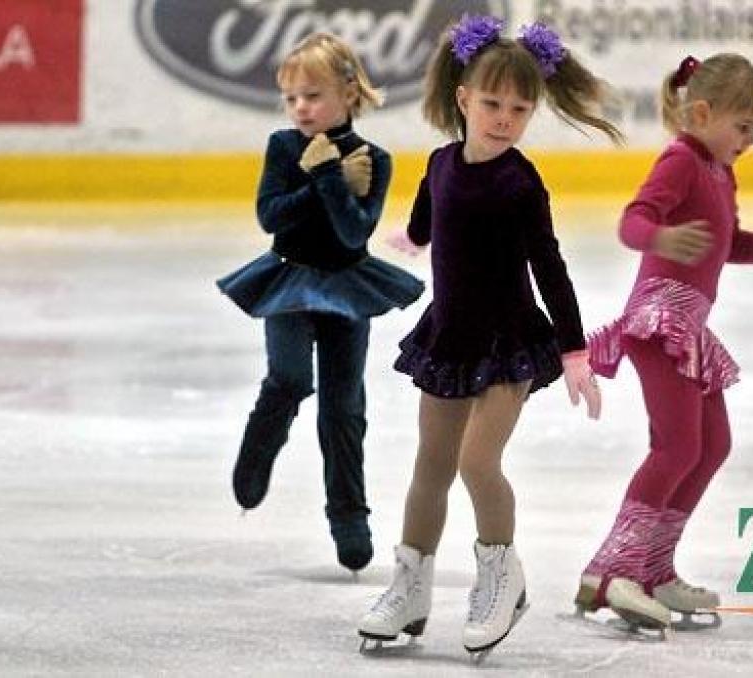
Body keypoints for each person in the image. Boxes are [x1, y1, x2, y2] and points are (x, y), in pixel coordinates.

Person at [357, 16, 621, 658]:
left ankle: (503, 575)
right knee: (431, 466)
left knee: (478, 460)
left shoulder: (520, 183)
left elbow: (550, 265)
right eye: (493, 103)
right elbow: (428, 213)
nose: (504, 118)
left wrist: (574, 350)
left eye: (520, 109)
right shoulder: (443, 162)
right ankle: (411, 583)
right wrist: (413, 238)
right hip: (449, 335)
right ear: (464, 98)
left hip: (508, 342)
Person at [574, 53, 753, 630]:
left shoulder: (720, 171)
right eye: (744, 126)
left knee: (713, 445)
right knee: (678, 446)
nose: (751, 140)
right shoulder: (681, 160)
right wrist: (661, 234)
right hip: (658, 322)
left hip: (688, 326)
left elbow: (728, 244)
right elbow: (632, 221)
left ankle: (649, 568)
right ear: (703, 113)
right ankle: (619, 573)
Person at [216, 33, 424, 572]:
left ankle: (348, 514)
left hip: (348, 285)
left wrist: (331, 175)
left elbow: (355, 234)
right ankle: (260, 446)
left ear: (349, 94)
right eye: (291, 98)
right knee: (289, 379)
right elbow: (271, 217)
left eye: (312, 95)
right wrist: (321, 176)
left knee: (343, 406)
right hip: (287, 279)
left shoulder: (373, 160)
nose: (300, 107)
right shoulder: (285, 147)